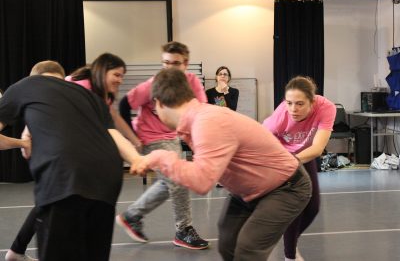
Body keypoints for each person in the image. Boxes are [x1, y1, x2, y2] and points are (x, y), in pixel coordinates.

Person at [130, 68, 312, 261]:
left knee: (248, 249)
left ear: (158, 103)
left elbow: (201, 181)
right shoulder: (196, 120)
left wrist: (159, 157)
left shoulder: (206, 122)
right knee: (228, 243)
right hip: (249, 190)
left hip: (286, 188)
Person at [0, 60, 142, 261]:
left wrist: (22, 143)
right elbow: (113, 135)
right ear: (61, 76)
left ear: (35, 76)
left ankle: (16, 252)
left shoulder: (25, 85)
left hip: (63, 173)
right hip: (107, 180)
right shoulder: (89, 96)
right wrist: (136, 159)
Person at [116, 41, 209, 250]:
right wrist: (132, 139)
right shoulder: (153, 84)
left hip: (173, 135)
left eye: (175, 63)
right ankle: (183, 230)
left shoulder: (192, 82)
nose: (169, 68)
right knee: (178, 178)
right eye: (165, 63)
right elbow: (124, 104)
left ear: (185, 64)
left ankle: (131, 216)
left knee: (169, 183)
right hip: (151, 137)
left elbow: (201, 110)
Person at [262, 76, 336, 261]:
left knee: (313, 207)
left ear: (312, 101)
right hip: (279, 154)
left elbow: (317, 149)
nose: (293, 109)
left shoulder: (326, 108)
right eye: (289, 103)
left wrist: (293, 160)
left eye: (300, 104)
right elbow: (260, 142)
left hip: (305, 153)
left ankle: (287, 238)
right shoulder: (279, 117)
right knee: (295, 205)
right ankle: (290, 255)